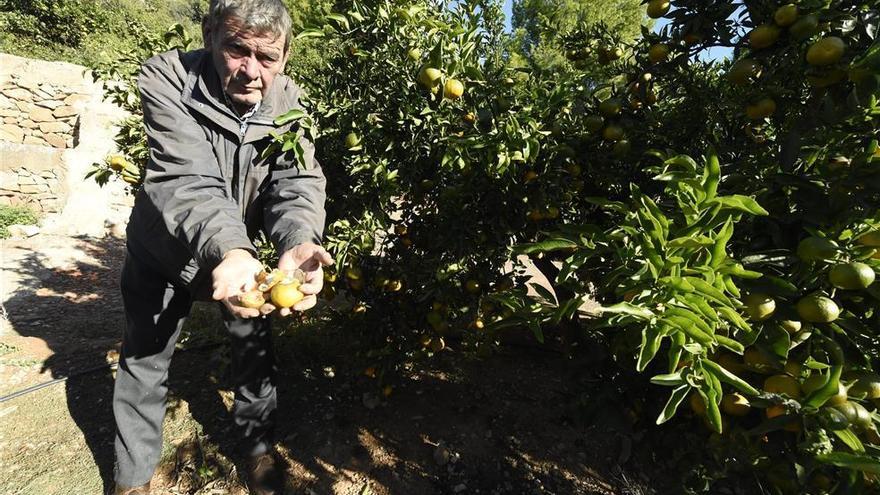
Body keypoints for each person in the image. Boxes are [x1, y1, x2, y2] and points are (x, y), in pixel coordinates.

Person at [110, 1, 331, 494]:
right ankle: (132, 479)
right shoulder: (169, 77)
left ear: (287, 56)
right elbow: (184, 177)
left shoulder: (290, 101)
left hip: (242, 262)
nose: (250, 70)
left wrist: (298, 240)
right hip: (164, 250)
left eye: (267, 57)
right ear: (210, 34)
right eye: (236, 49)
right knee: (145, 358)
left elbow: (296, 181)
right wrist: (230, 247)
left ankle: (256, 450)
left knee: (254, 349)